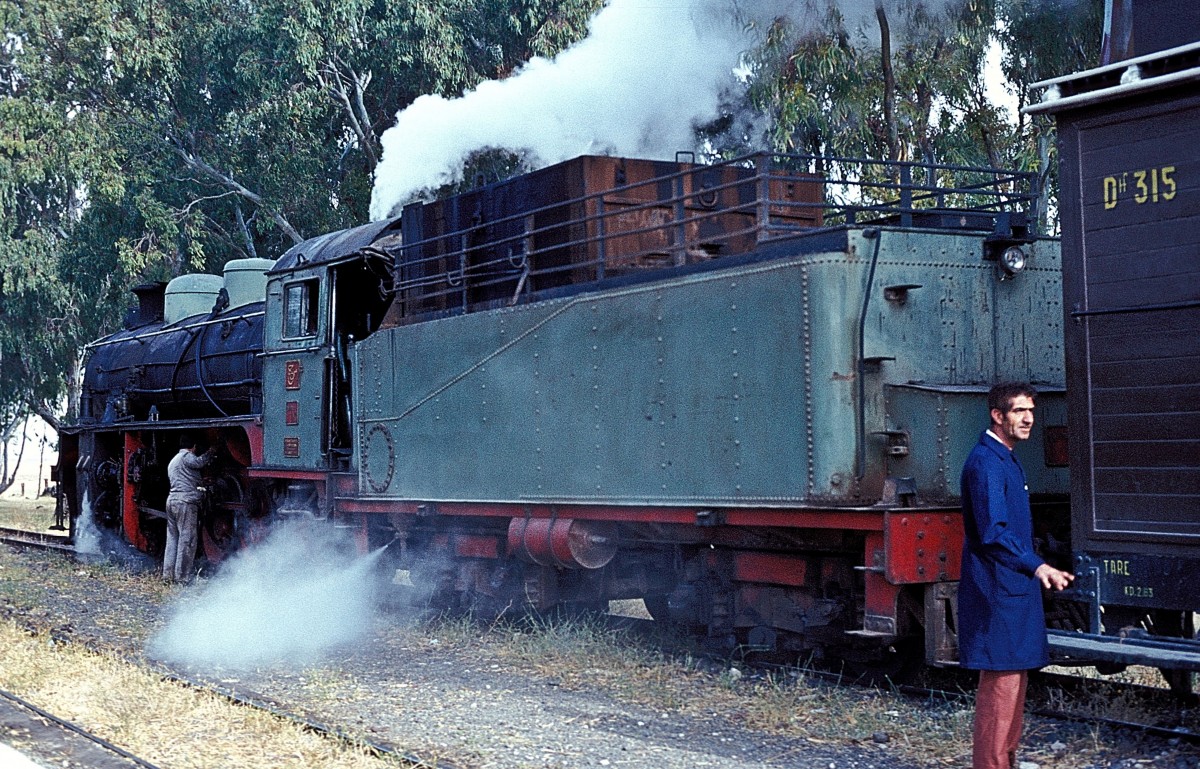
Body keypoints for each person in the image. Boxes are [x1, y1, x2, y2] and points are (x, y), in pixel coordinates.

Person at [958, 382, 1074, 769]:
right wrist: (1037, 565)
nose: (1029, 419)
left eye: (1031, 411)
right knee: (1001, 684)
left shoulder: (1005, 458)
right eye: (1019, 411)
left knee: (1014, 679)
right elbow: (993, 532)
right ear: (998, 415)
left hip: (1011, 586)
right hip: (997, 588)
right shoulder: (986, 463)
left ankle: (1004, 762)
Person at [164, 434, 213, 583]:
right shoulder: (187, 457)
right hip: (185, 502)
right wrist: (211, 452)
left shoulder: (173, 461)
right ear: (193, 447)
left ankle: (167, 575)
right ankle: (182, 578)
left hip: (172, 500)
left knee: (172, 539)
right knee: (187, 539)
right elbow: (200, 462)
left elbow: (185, 477)